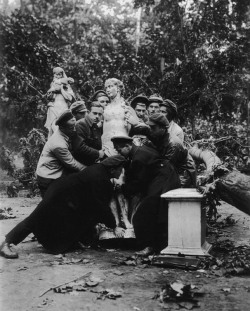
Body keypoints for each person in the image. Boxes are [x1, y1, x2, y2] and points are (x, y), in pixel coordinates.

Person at [0, 155, 127, 259]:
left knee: (73, 220)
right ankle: (6, 243)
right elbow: (102, 206)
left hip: (65, 194)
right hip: (58, 195)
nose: (121, 172)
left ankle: (77, 240)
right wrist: (114, 226)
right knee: (34, 219)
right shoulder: (101, 178)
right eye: (120, 169)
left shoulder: (100, 170)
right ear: (112, 169)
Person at [111, 135, 181, 256]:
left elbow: (139, 183)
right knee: (156, 212)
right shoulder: (139, 150)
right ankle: (158, 245)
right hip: (165, 175)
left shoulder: (138, 158)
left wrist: (122, 188)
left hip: (164, 179)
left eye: (119, 149)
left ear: (128, 146)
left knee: (143, 214)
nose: (118, 152)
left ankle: (148, 246)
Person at [36, 110, 85, 197]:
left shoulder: (63, 133)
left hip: (54, 174)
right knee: (51, 206)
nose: (74, 130)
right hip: (48, 178)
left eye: (74, 126)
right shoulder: (58, 144)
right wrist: (89, 169)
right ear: (62, 128)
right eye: (71, 128)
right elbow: (72, 164)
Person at [147, 113, 196, 188]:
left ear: (162, 128)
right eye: (150, 127)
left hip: (183, 174)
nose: (150, 130)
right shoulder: (160, 135)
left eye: (153, 128)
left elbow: (165, 168)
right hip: (172, 169)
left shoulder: (173, 144)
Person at [45, 67, 76, 137]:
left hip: (63, 106)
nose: (58, 76)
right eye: (56, 74)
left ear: (62, 75)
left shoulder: (66, 84)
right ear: (54, 75)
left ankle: (62, 139)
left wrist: (61, 90)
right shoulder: (52, 84)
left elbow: (70, 97)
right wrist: (51, 92)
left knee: (63, 124)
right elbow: (48, 96)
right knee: (53, 125)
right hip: (53, 106)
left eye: (59, 74)